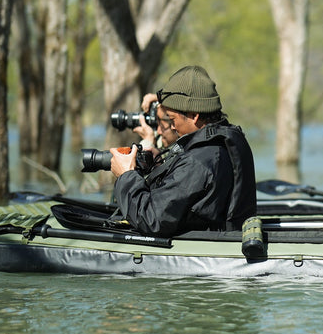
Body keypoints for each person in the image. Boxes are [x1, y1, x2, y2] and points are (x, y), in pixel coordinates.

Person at [107, 65, 257, 235]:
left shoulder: (198, 162)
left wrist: (126, 175)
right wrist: (163, 166)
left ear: (194, 115)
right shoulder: (224, 140)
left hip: (201, 256)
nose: (171, 126)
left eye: (172, 119)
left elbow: (152, 219)